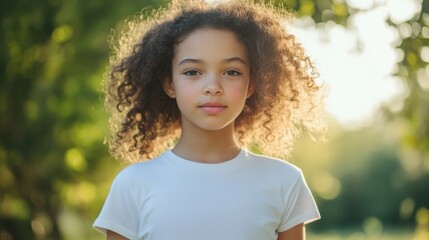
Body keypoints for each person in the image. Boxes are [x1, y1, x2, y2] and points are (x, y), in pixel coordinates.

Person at [93, 0, 326, 239]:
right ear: (169, 83)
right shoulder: (132, 185)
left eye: (231, 72)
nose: (213, 87)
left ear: (251, 84)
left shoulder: (285, 181)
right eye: (192, 72)